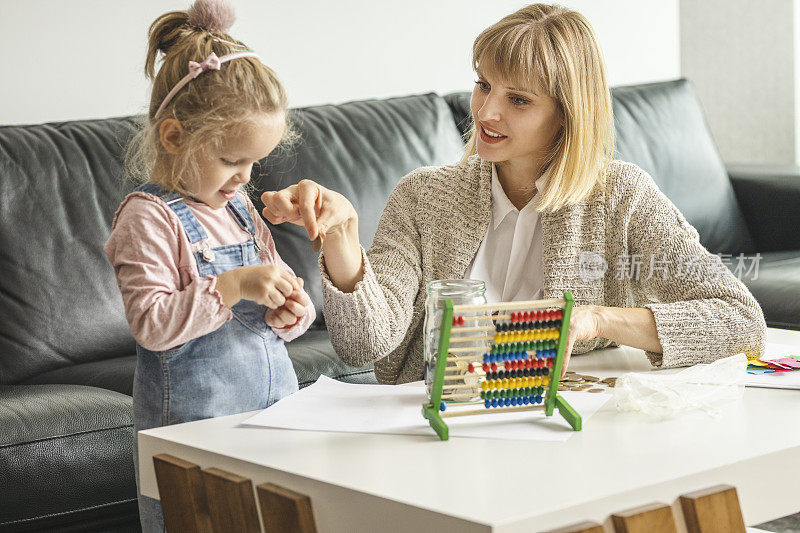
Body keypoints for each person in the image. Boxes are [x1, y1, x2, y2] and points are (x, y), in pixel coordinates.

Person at [261, 3, 766, 386]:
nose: (486, 112)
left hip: (573, 423)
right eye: (483, 85)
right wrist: (342, 242)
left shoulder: (621, 197)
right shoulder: (424, 197)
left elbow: (740, 321)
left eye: (518, 99)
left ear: (567, 115)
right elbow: (362, 345)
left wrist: (593, 319)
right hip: (433, 428)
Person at [104, 0, 314, 530]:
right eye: (229, 160)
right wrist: (232, 285)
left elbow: (269, 309)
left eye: (253, 163)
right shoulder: (148, 219)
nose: (245, 177)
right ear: (174, 137)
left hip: (273, 419)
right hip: (194, 435)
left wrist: (292, 311)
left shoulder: (240, 208)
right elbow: (152, 324)